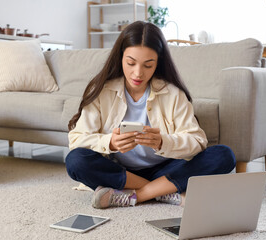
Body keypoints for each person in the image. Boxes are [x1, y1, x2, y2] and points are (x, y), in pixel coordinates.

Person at [65, 21, 236, 209]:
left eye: (148, 65)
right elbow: (76, 141)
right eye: (130, 63)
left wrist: (164, 142)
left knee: (224, 155)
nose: (138, 73)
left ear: (158, 63)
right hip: (122, 173)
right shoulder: (102, 92)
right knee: (75, 161)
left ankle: (138, 195)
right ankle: (164, 192)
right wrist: (110, 143)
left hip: (166, 170)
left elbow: (197, 141)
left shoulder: (172, 93)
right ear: (120, 57)